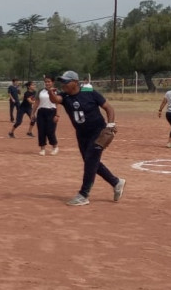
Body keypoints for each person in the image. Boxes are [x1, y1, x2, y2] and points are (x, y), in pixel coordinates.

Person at [48, 70, 125, 206]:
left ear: (75, 82)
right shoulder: (65, 96)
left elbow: (109, 108)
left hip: (98, 132)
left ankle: (84, 194)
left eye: (66, 81)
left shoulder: (90, 93)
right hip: (82, 134)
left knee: (90, 161)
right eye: (62, 82)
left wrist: (111, 125)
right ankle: (116, 182)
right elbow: (55, 100)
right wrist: (50, 92)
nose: (63, 84)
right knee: (92, 162)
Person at [31, 74, 60, 155]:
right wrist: (33, 113)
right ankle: (42, 149)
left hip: (52, 112)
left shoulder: (56, 91)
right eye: (46, 82)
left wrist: (57, 115)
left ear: (53, 82)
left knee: (50, 131)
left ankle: (55, 147)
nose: (47, 83)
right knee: (41, 131)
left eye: (49, 82)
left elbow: (58, 104)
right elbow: (37, 102)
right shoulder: (41, 91)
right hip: (41, 112)